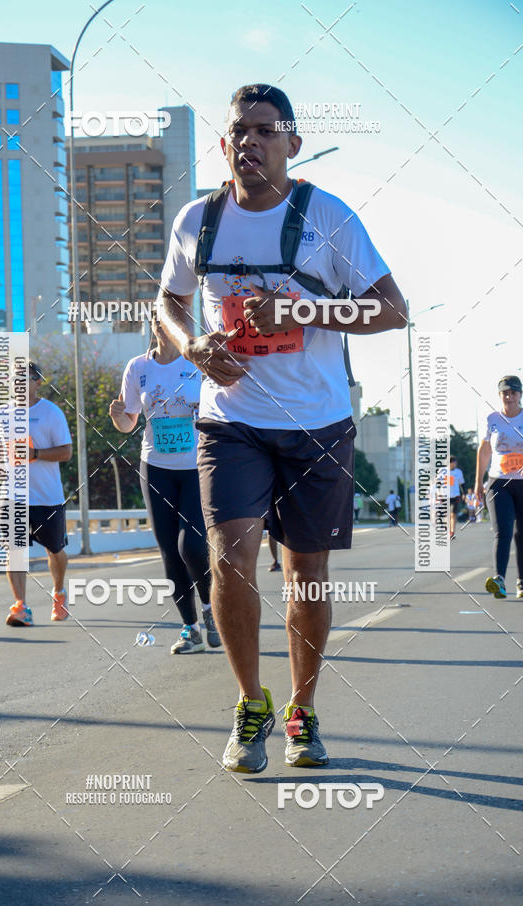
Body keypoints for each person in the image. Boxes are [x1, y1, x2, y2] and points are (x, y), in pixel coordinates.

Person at [158, 84, 406, 772]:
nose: (250, 142)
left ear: (292, 145)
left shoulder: (328, 217)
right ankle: (250, 704)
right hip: (230, 420)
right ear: (224, 143)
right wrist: (192, 346)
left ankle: (303, 710)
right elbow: (169, 302)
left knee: (307, 576)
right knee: (230, 558)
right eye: (239, 130)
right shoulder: (197, 220)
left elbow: (391, 311)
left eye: (266, 131)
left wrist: (304, 314)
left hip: (316, 424)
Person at [109, 308, 221, 653]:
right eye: (155, 321)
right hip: (155, 467)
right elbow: (129, 421)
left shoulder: (196, 366)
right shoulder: (138, 368)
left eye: (166, 321)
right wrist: (119, 419)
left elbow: (216, 411)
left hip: (194, 467)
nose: (160, 326)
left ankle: (210, 609)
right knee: (170, 551)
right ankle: (190, 629)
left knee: (192, 546)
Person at [0, 361, 72, 626]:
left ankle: (58, 593)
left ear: (38, 382)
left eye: (25, 378)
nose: (19, 383)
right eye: (14, 379)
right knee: (14, 551)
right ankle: (21, 606)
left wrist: (35, 454)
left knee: (54, 550)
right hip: (11, 495)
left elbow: (66, 452)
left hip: (47, 497)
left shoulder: (51, 413)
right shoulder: (0, 413)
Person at [475, 375, 523, 600]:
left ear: (520, 395)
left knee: (521, 533)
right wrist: (478, 482)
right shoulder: (492, 418)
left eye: (513, 392)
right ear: (500, 395)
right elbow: (484, 451)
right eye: (505, 392)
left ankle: (521, 582)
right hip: (498, 483)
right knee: (502, 531)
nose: (509, 396)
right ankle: (500, 581)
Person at [448, 456, 465, 538]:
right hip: (445, 496)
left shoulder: (459, 472)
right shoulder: (443, 471)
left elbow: (462, 484)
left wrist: (464, 493)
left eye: (456, 463)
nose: (455, 464)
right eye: (454, 462)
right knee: (447, 515)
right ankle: (448, 530)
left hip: (455, 495)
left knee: (453, 514)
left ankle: (452, 532)